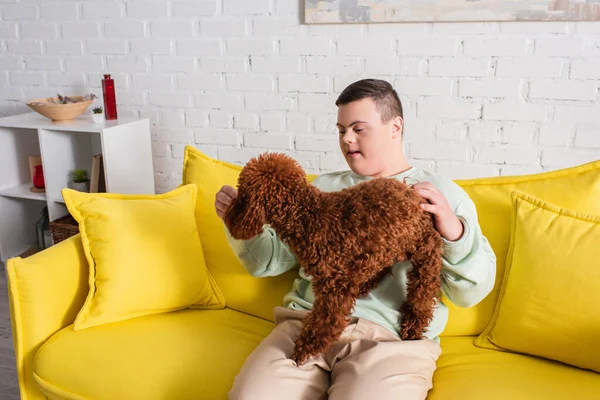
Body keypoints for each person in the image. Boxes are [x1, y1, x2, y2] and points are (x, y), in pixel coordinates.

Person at [215, 79, 496, 400]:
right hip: (306, 323)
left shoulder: (440, 194)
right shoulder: (321, 188)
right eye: (340, 130)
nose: (347, 139)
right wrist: (238, 220)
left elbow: (469, 294)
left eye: (359, 129)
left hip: (390, 341)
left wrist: (454, 231)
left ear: (395, 127)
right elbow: (265, 262)